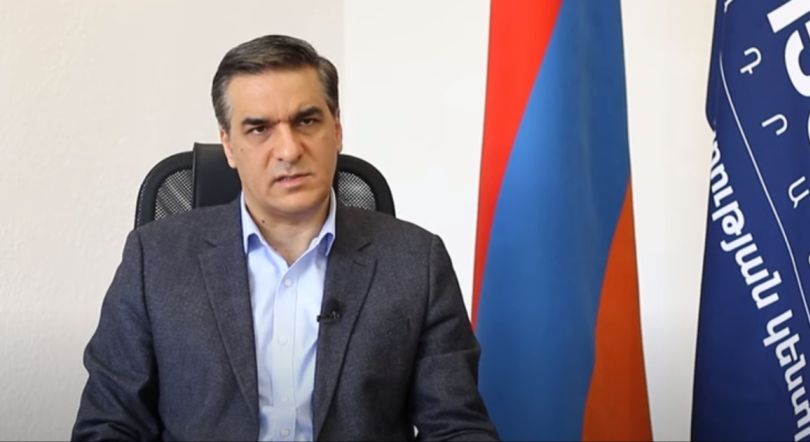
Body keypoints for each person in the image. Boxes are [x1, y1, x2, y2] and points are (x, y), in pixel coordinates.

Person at [72, 35, 498, 441]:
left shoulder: (417, 262)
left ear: (337, 130)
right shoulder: (154, 259)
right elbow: (109, 426)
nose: (290, 150)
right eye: (259, 129)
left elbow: (457, 428)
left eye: (306, 121)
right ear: (229, 146)